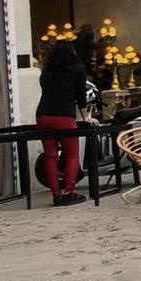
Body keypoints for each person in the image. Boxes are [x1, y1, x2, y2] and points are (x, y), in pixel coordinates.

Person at [37, 39, 89, 207]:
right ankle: (69, 192)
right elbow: (81, 97)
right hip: (64, 117)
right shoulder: (78, 70)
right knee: (72, 155)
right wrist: (86, 117)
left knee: (50, 157)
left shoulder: (46, 72)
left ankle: (56, 195)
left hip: (43, 116)